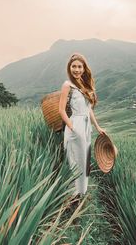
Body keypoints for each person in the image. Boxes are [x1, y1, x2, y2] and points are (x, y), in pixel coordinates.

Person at [59, 53, 106, 196]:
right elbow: (61, 110)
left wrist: (97, 127)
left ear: (84, 69)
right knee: (74, 161)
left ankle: (81, 193)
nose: (77, 70)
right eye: (74, 66)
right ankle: (72, 195)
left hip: (86, 128)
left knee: (84, 160)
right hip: (75, 126)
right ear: (69, 68)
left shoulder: (85, 86)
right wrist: (72, 127)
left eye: (80, 67)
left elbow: (88, 109)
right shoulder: (68, 85)